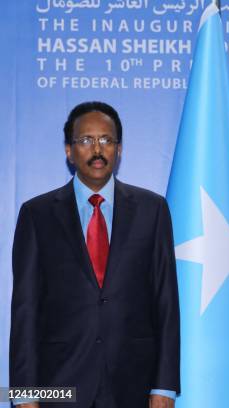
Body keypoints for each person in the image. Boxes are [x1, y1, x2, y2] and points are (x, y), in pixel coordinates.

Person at [10, 102, 180, 408]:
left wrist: (165, 387)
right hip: (60, 385)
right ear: (68, 151)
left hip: (134, 384)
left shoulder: (152, 210)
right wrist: (23, 393)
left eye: (107, 140)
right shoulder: (37, 215)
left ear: (119, 150)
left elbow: (166, 302)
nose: (97, 149)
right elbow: (25, 310)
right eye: (86, 140)